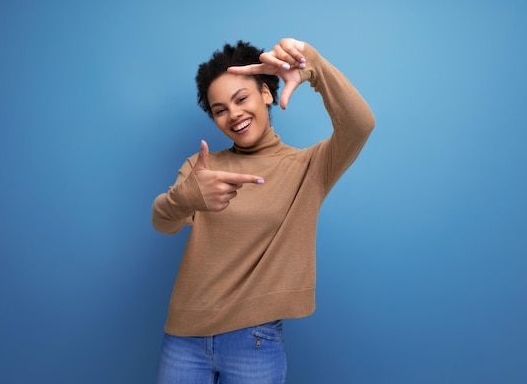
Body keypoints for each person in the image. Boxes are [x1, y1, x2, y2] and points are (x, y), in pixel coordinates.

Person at [152, 37, 375, 384]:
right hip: (184, 338)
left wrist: (313, 66)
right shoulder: (203, 167)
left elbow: (360, 125)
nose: (233, 114)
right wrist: (186, 199)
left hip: (253, 340)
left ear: (267, 94)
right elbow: (162, 222)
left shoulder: (307, 168)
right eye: (220, 109)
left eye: (241, 99)